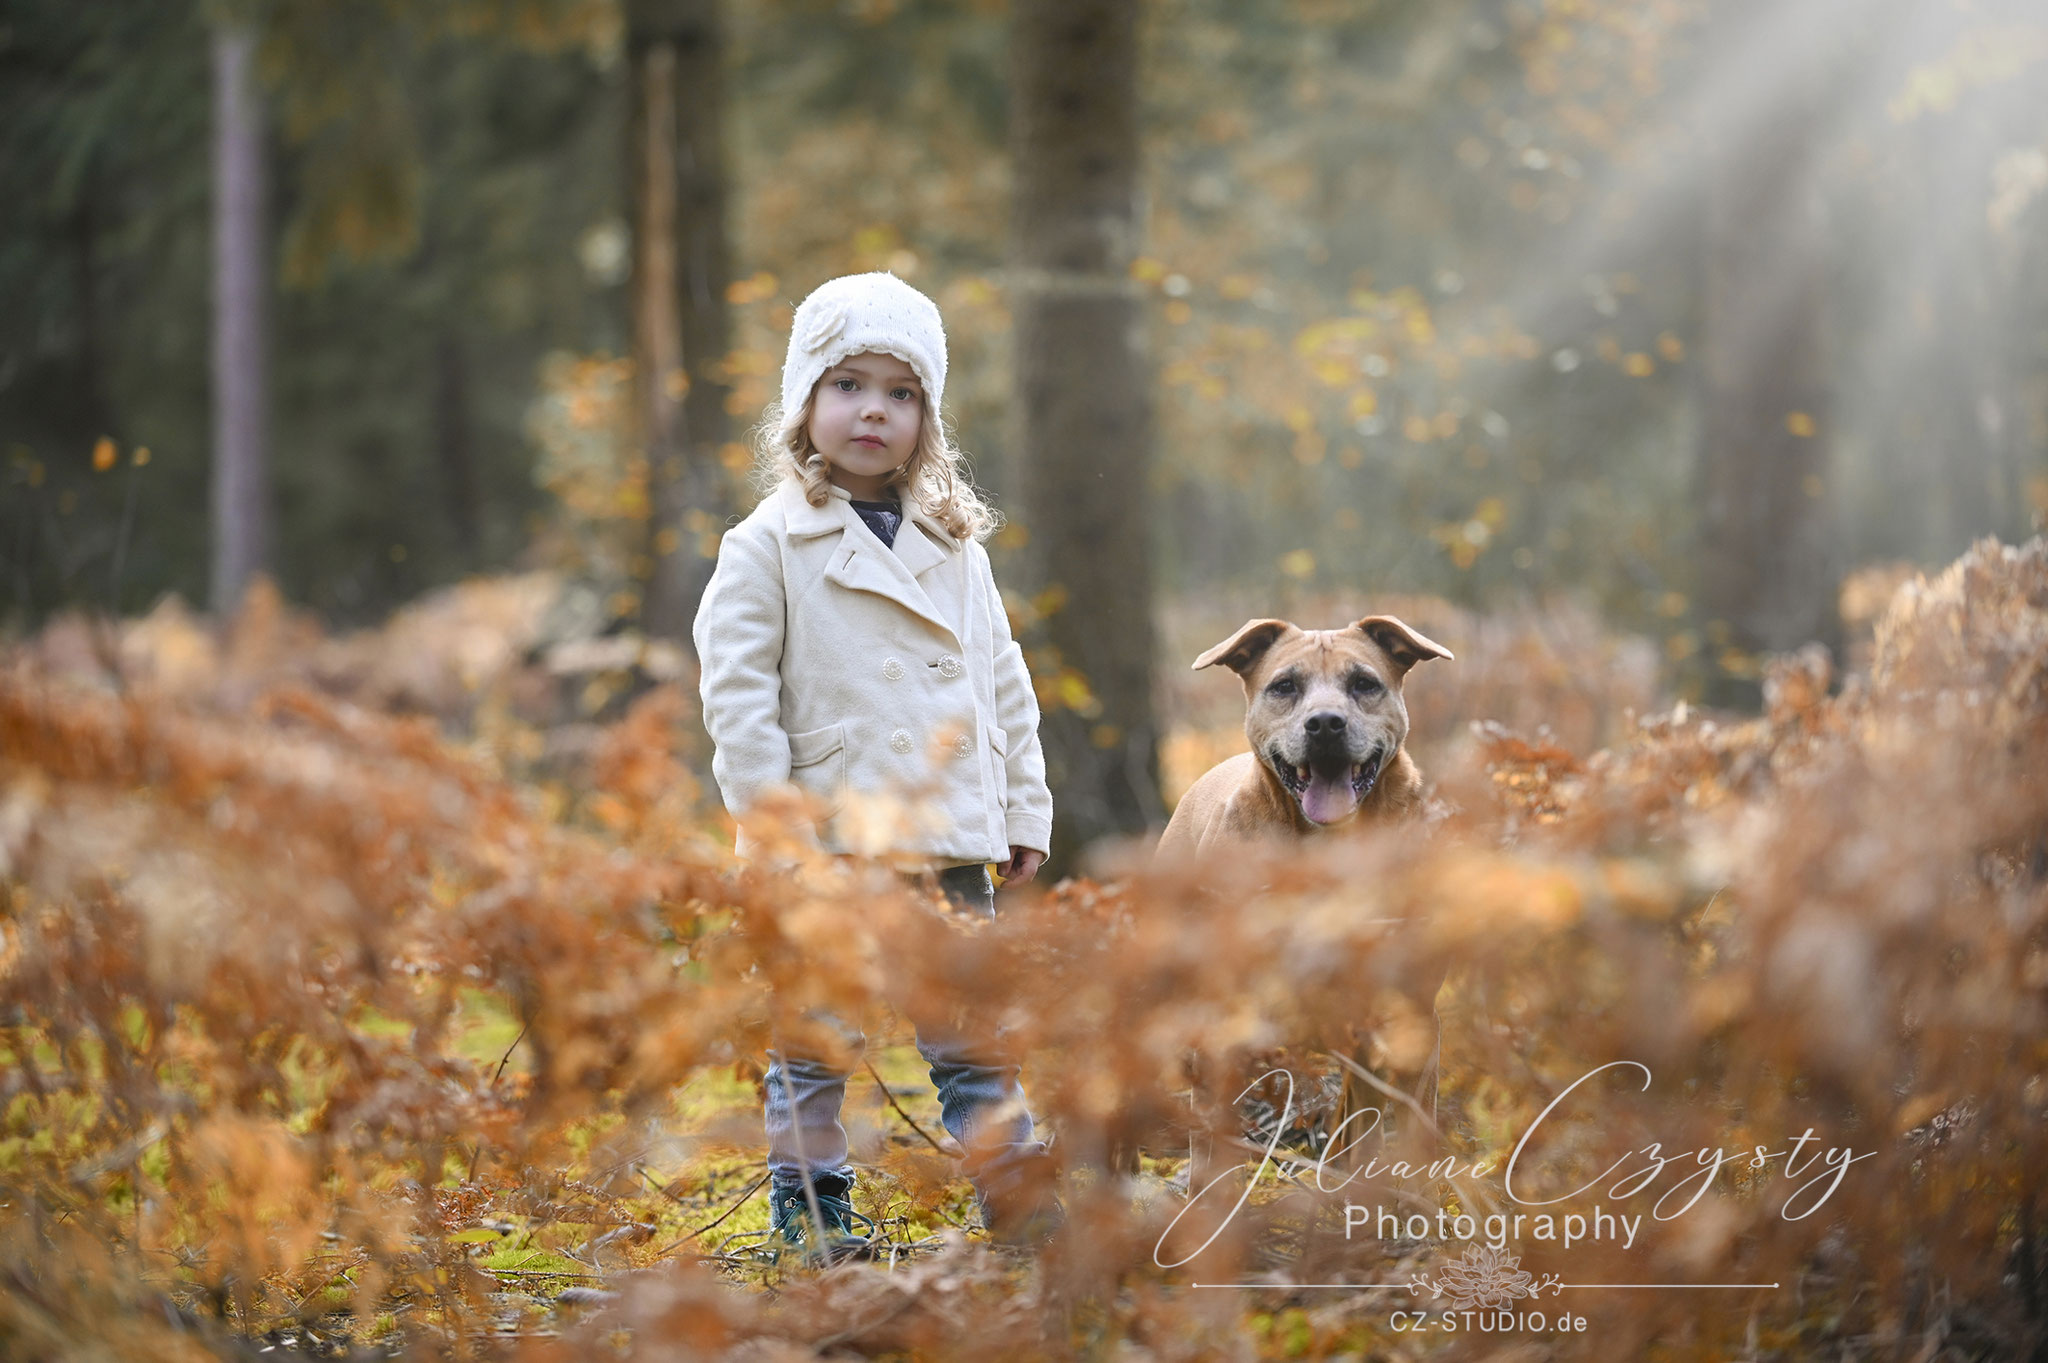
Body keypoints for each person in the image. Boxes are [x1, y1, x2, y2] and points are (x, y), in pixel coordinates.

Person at [692, 271, 1059, 1261]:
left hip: (942, 843)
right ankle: (814, 1223)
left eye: (900, 394)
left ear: (925, 420)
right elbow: (739, 705)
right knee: (812, 1047)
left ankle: (1021, 1212)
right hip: (827, 842)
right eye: (848, 383)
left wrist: (1020, 806)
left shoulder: (954, 544)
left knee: (970, 1041)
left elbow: (1001, 683)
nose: (873, 410)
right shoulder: (766, 544)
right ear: (805, 401)